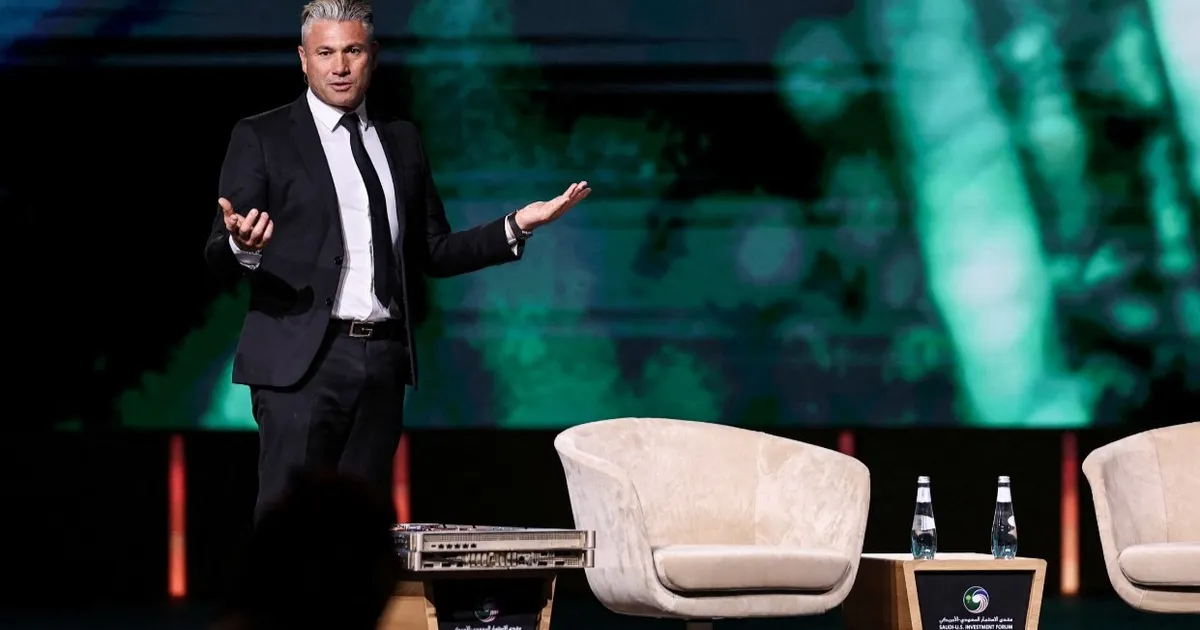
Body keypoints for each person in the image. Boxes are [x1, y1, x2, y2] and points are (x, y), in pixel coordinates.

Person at [203, 0, 590, 519]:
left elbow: (433, 250)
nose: (340, 66)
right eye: (325, 53)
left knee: (360, 527)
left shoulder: (401, 138)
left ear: (373, 55)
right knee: (291, 524)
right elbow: (219, 250)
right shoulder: (263, 136)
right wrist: (244, 247)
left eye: (352, 51)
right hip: (301, 363)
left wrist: (517, 224)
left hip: (381, 360)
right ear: (303, 59)